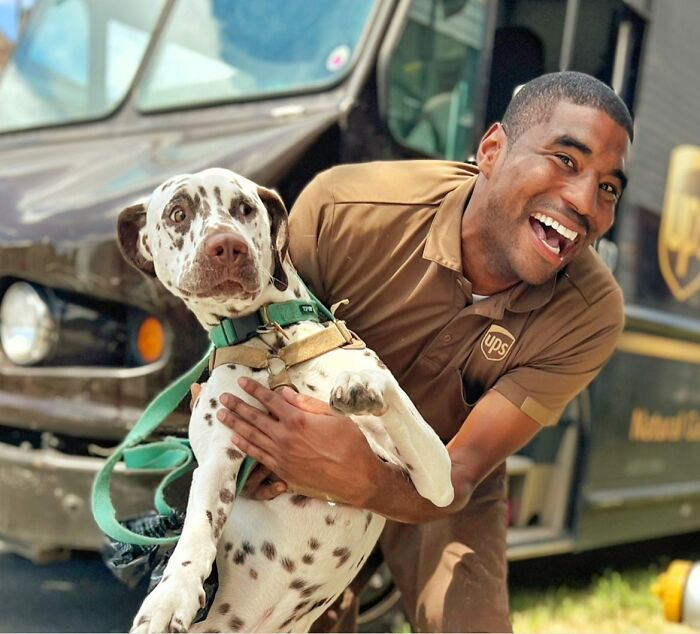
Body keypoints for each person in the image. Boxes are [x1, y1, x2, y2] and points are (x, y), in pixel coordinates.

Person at [214, 71, 633, 632]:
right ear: (491, 151)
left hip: (442, 472)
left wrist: (362, 478)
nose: (586, 201)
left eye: (608, 187)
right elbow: (244, 350)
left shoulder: (589, 313)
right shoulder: (343, 211)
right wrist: (258, 454)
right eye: (565, 160)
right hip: (306, 448)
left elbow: (457, 475)